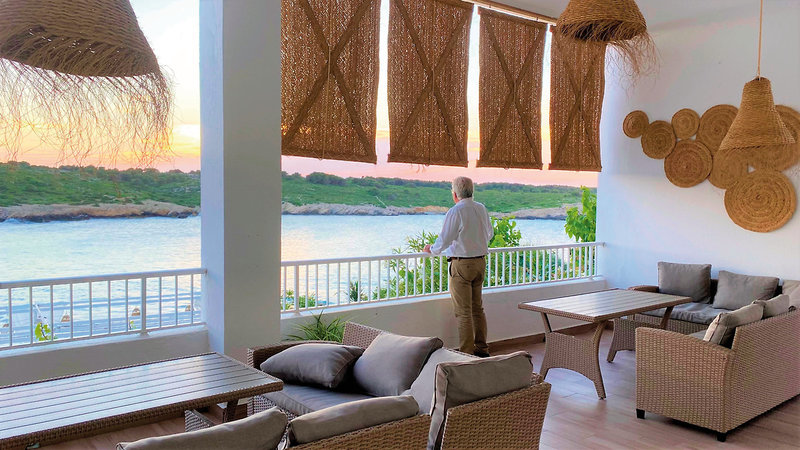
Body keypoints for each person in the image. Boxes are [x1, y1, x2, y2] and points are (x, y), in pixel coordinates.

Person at [423, 176, 493, 357]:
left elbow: (444, 239)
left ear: (455, 194)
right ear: (472, 191)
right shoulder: (481, 208)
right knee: (477, 309)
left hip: (462, 265)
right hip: (480, 262)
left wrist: (432, 249)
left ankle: (466, 354)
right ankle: (482, 349)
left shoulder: (455, 211)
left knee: (463, 313)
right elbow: (489, 234)